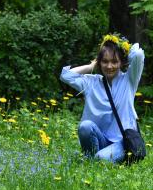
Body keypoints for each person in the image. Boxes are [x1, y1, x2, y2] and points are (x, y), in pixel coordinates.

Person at [60, 34, 145, 163]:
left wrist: (122, 47)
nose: (109, 66)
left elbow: (138, 54)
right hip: (100, 139)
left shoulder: (129, 80)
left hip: (121, 142)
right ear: (99, 62)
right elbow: (66, 75)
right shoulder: (92, 83)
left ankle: (91, 161)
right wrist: (90, 66)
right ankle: (92, 160)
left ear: (121, 62)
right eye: (105, 61)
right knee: (85, 126)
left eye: (114, 61)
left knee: (101, 158)